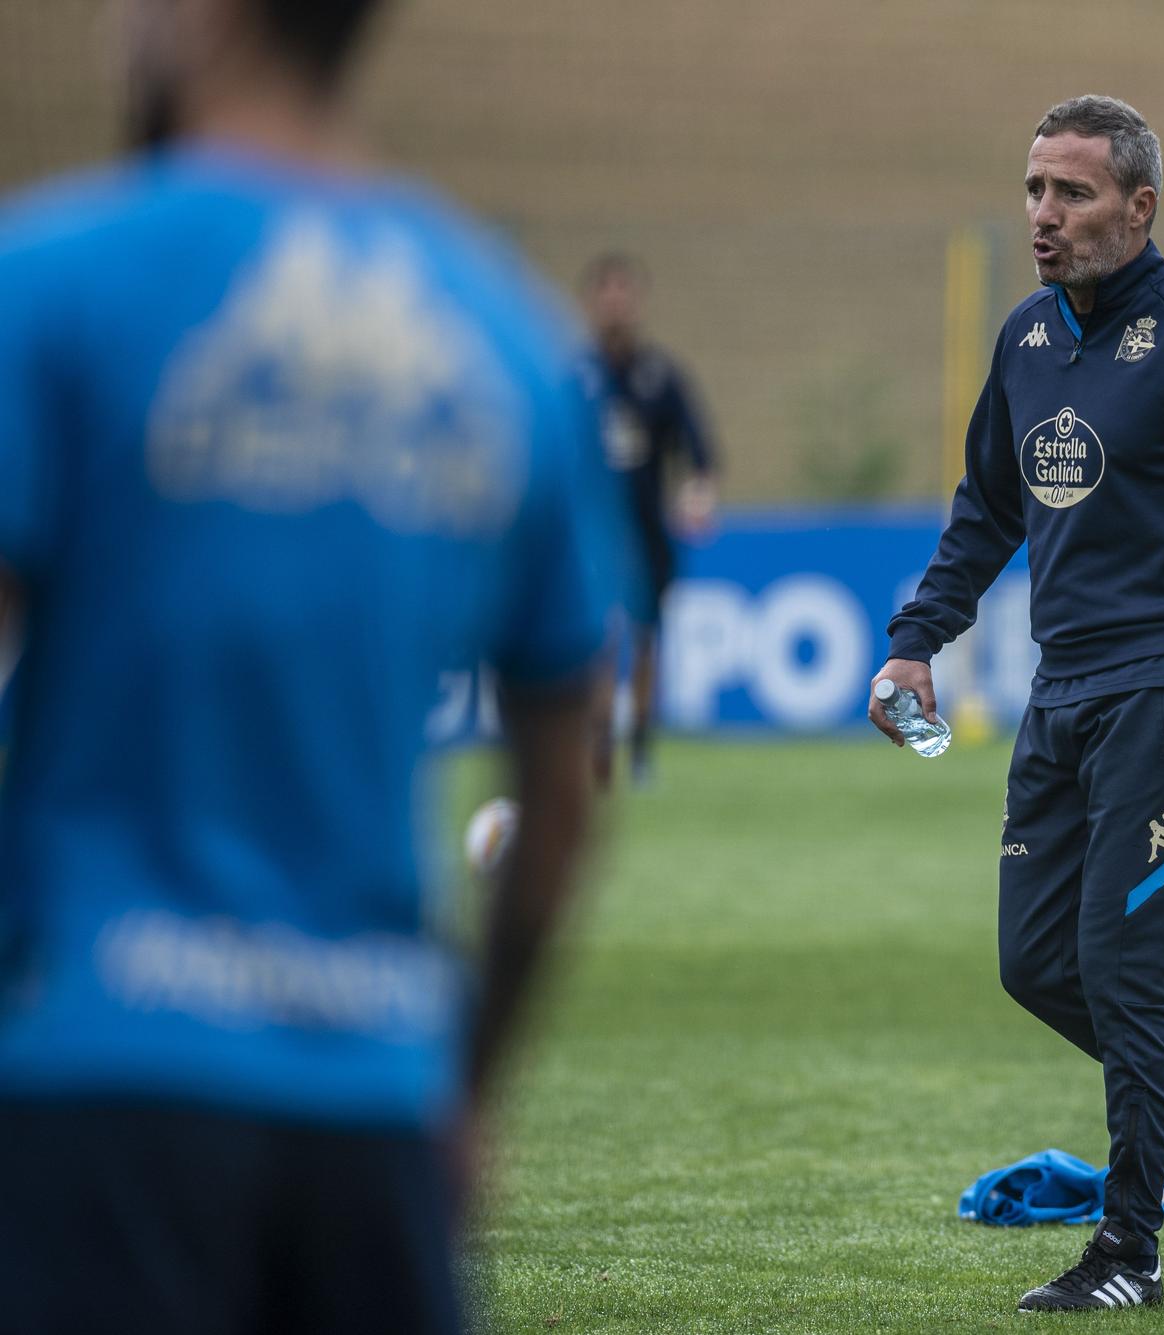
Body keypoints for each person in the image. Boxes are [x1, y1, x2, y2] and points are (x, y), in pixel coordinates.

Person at [0, 2, 620, 1330]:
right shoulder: (506, 338)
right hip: (374, 1102)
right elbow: (562, 799)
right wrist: (463, 1089)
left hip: (98, 1078)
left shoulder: (54, 278)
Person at [869, 95, 1164, 1313]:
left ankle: (1127, 1249)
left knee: (1124, 975)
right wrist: (917, 641)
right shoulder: (1026, 342)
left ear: (1140, 206)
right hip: (1059, 692)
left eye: (1070, 194)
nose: (1042, 216)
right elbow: (985, 511)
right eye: (1032, 190)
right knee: (1034, 964)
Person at [579, 253, 718, 786]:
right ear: (593, 301)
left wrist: (698, 495)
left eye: (624, 291)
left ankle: (637, 749)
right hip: (587, 536)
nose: (616, 301)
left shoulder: (660, 376)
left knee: (643, 641)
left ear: (636, 302)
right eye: (606, 290)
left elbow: (700, 453)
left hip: (644, 532)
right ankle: (594, 748)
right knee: (593, 642)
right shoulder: (574, 375)